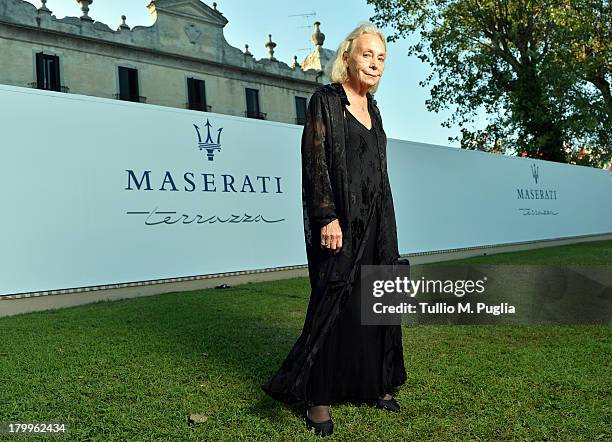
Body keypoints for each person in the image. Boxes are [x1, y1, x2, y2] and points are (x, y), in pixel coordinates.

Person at [261, 22, 407, 437]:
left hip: (379, 221)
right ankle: (319, 398)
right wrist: (326, 215)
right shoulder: (325, 100)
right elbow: (316, 160)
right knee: (333, 303)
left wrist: (386, 223)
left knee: (381, 299)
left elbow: (377, 171)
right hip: (342, 220)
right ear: (347, 57)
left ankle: (377, 384)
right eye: (367, 55)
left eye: (381, 58)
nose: (375, 64)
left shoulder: (374, 110)